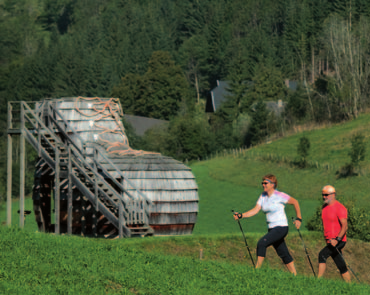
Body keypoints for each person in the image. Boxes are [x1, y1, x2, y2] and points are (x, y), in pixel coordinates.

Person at [233, 174, 302, 275]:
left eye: (265, 183)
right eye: (262, 183)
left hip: (281, 227)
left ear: (273, 184)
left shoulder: (279, 195)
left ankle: (257, 271)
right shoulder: (263, 196)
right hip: (272, 229)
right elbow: (255, 210)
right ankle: (295, 276)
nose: (263, 185)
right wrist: (241, 215)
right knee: (283, 252)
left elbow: (295, 202)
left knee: (262, 243)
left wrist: (299, 219)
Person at [318, 185, 351, 282]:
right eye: (323, 195)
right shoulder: (324, 207)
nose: (324, 197)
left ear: (333, 195)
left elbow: (345, 226)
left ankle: (317, 282)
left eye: (326, 195)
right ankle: (350, 286)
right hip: (330, 241)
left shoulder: (340, 208)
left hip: (339, 240)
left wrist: (337, 240)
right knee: (340, 264)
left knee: (322, 255)